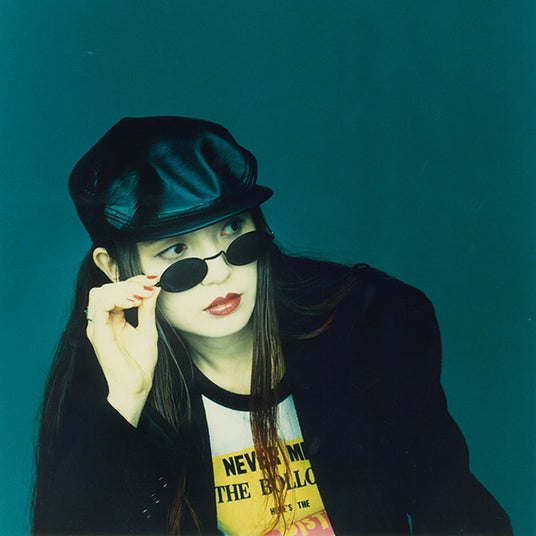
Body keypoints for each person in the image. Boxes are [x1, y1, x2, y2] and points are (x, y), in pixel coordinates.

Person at [32, 116, 512, 536]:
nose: (219, 272)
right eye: (177, 251)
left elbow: (452, 503)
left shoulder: (368, 324)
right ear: (113, 268)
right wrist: (126, 400)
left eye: (232, 231)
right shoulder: (109, 376)